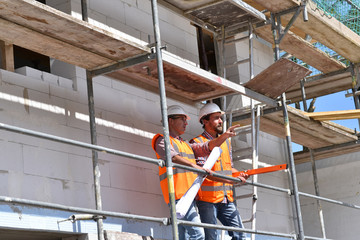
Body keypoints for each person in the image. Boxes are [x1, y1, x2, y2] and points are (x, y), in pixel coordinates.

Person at [151, 105, 239, 240]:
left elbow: (206, 147)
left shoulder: (186, 144)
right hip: (177, 196)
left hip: (189, 195)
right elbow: (172, 156)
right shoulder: (161, 139)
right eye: (182, 119)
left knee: (182, 236)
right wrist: (195, 166)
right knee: (198, 235)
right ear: (170, 121)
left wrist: (225, 136)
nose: (186, 123)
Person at [190, 102, 249, 240]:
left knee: (241, 235)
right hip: (207, 200)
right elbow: (204, 172)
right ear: (205, 121)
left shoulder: (226, 142)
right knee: (211, 237)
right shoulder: (197, 142)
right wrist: (231, 179)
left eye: (220, 118)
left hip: (226, 197)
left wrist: (238, 174)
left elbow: (229, 168)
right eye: (216, 118)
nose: (220, 121)